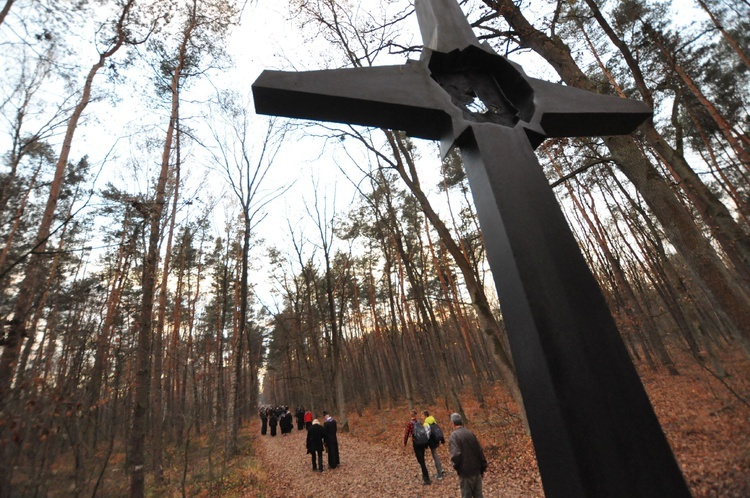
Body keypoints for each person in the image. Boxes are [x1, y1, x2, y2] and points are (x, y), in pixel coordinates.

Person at [448, 413, 487, 498]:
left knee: (466, 496)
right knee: (479, 496)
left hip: (465, 472)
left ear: (453, 423)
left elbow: (455, 456)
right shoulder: (470, 433)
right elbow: (480, 451)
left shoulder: (454, 436)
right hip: (476, 470)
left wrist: (458, 468)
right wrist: (483, 467)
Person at [404, 409, 431, 485]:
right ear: (415, 415)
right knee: (422, 459)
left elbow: (406, 434)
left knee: (421, 461)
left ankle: (426, 478)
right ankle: (424, 475)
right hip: (422, 442)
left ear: (411, 415)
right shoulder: (419, 422)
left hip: (416, 443)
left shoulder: (410, 423)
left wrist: (405, 442)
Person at [423, 410, 445, 480]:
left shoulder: (426, 423)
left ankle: (439, 473)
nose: (421, 417)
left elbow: (427, 435)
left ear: (425, 415)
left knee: (435, 456)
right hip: (436, 440)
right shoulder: (433, 420)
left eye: (422, 415)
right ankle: (441, 469)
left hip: (432, 442)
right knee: (436, 455)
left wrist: (425, 443)